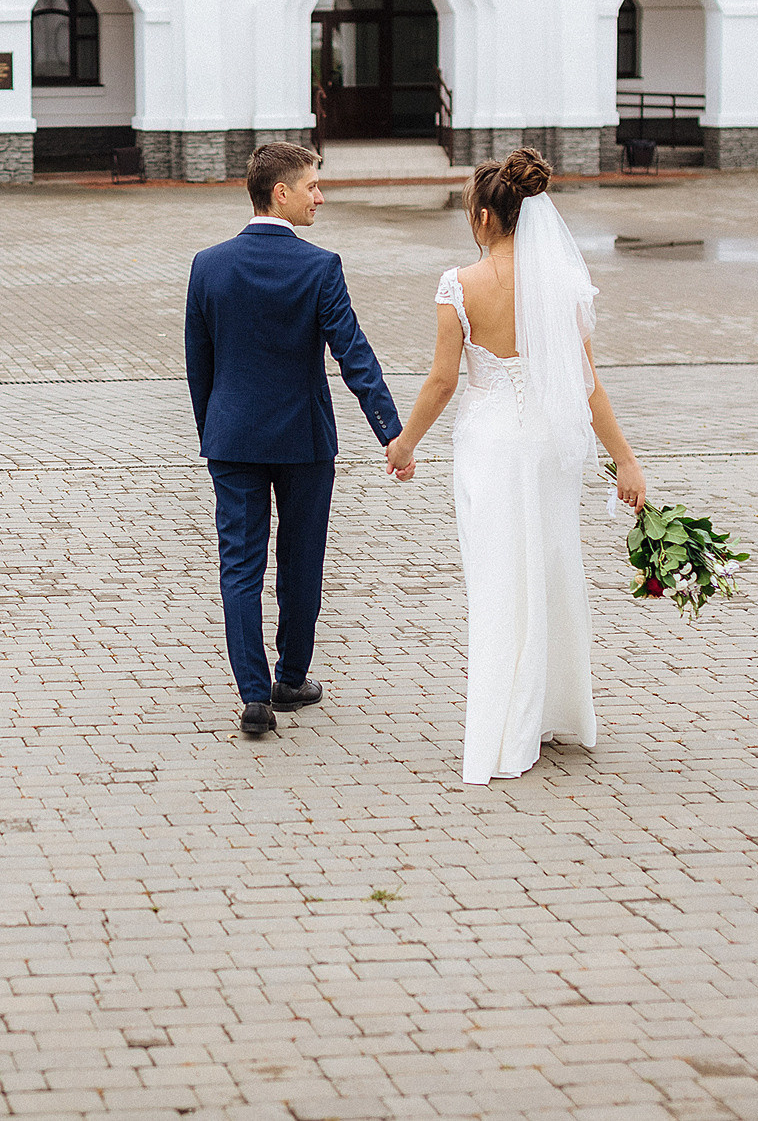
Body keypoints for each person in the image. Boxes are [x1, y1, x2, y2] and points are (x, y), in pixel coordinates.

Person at [382, 149, 647, 782]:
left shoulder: (459, 286)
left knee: (499, 579)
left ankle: (505, 727)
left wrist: (405, 442)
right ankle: (557, 709)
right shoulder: (563, 287)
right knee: (552, 567)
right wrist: (627, 464)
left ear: (482, 217)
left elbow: (444, 381)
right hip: (552, 445)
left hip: (492, 445)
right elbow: (589, 386)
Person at [185, 142, 402, 738]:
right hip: (304, 442)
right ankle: (291, 677)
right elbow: (353, 353)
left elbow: (197, 364)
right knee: (301, 560)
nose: (320, 196)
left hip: (231, 439)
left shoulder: (208, 265)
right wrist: (391, 430)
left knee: (239, 565)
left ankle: (254, 697)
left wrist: (216, 432)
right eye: (312, 186)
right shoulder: (319, 267)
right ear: (280, 193)